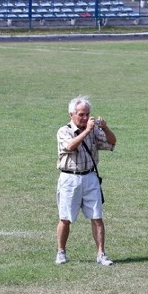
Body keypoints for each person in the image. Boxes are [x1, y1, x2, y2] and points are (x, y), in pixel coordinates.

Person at [55, 95, 117, 266]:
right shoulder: (64, 131)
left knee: (97, 217)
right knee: (65, 218)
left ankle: (101, 254)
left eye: (87, 114)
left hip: (90, 177)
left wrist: (105, 128)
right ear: (71, 114)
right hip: (70, 179)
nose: (84, 118)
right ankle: (61, 252)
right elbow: (69, 147)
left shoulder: (94, 130)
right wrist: (87, 131)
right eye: (81, 114)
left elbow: (112, 142)